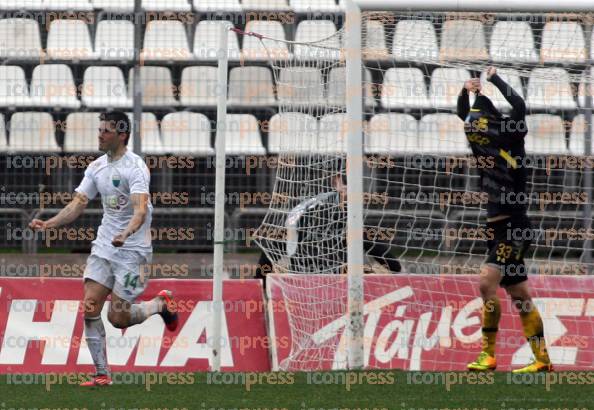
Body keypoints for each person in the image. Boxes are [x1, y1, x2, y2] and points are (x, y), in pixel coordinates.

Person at [29, 111, 178, 386]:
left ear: (122, 135)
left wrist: (126, 232)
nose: (99, 134)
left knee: (118, 318)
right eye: (99, 130)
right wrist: (49, 224)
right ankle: (101, 374)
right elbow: (78, 204)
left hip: (133, 251)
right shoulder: (97, 167)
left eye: (106, 131)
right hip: (104, 247)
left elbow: (141, 210)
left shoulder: (135, 168)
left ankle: (159, 305)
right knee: (90, 306)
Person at [457, 67, 552, 373]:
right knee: (520, 295)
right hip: (497, 228)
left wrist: (495, 79)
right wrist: (466, 92)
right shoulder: (482, 145)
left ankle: (488, 355)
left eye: (481, 122)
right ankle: (542, 360)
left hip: (515, 226)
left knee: (487, 282)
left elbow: (520, 106)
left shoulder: (512, 136)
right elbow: (464, 116)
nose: (476, 127)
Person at [256, 172, 401, 286]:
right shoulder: (324, 214)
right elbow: (388, 260)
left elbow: (271, 247)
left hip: (302, 288)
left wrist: (259, 283)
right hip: (330, 287)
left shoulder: (303, 210)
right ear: (336, 182)